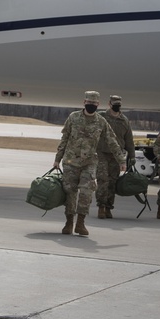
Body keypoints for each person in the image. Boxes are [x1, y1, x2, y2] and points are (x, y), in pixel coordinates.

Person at [53, 90, 124, 236]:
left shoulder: (101, 121)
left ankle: (80, 223)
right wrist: (57, 159)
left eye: (94, 103)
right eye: (89, 102)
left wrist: (121, 160)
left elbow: (112, 141)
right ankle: (69, 222)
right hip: (71, 161)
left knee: (86, 192)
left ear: (98, 104)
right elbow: (64, 139)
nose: (91, 105)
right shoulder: (73, 117)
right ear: (84, 102)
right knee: (70, 193)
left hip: (89, 162)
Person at [96, 95, 136, 219]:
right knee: (103, 180)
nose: (116, 106)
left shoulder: (124, 120)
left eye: (118, 103)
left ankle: (108, 207)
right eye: (114, 103)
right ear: (109, 104)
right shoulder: (102, 117)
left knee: (112, 182)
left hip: (117, 155)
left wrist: (132, 156)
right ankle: (101, 206)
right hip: (102, 152)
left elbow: (129, 140)